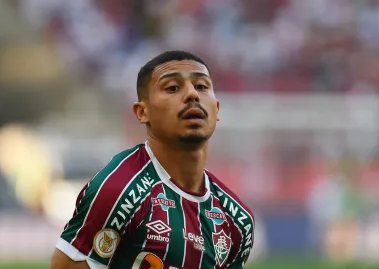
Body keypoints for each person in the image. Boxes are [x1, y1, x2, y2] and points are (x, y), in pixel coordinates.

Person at [49, 51, 255, 269]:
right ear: (142, 112)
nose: (192, 95)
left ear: (217, 109)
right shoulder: (119, 191)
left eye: (202, 86)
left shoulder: (238, 221)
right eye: (173, 88)